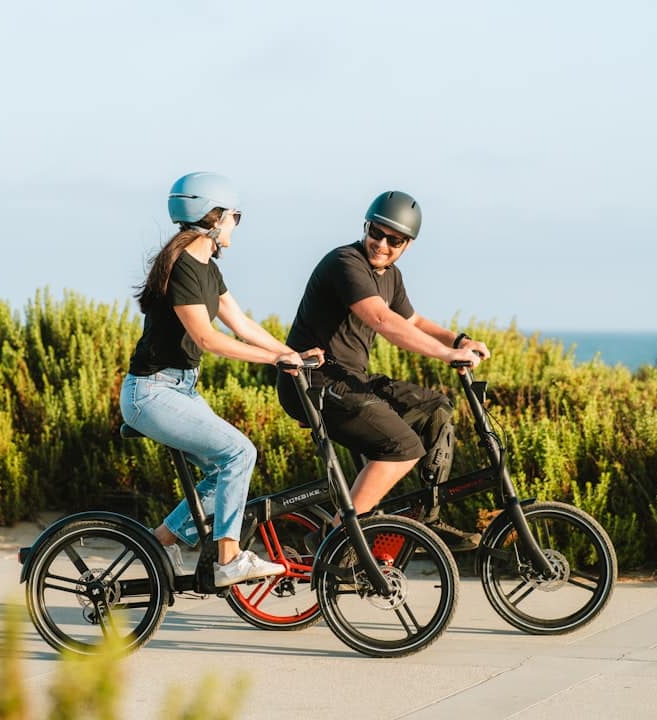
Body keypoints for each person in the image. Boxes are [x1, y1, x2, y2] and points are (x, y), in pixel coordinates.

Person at [121, 171, 322, 587]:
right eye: (235, 216)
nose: (236, 225)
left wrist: (290, 354)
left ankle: (161, 541)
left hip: (180, 388)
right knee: (238, 454)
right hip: (151, 393)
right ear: (213, 218)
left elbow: (240, 322)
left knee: (226, 466)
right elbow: (207, 338)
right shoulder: (181, 268)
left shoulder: (206, 267)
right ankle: (228, 557)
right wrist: (273, 360)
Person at [276, 190, 489, 549]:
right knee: (402, 447)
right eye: (376, 233)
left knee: (435, 409)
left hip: (349, 380)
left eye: (394, 240)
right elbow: (381, 318)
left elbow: (412, 319)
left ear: (408, 244)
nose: (382, 245)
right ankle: (336, 540)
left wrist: (458, 341)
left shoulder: (391, 275)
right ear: (366, 227)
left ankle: (428, 518)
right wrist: (444, 355)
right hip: (312, 381)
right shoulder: (346, 262)